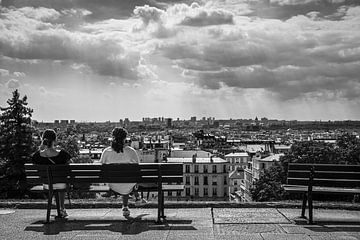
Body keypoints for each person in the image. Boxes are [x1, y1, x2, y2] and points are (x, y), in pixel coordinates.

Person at [100, 127, 146, 217]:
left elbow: (101, 166)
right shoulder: (131, 151)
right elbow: (138, 167)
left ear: (113, 137)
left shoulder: (107, 151)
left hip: (113, 184)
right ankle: (133, 201)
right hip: (129, 183)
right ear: (125, 138)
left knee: (124, 180)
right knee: (128, 180)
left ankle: (127, 206)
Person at [32, 129, 71, 218]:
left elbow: (35, 163)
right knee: (61, 182)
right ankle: (62, 208)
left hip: (46, 184)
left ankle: (59, 208)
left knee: (55, 182)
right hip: (61, 184)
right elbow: (69, 166)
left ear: (43, 140)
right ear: (55, 140)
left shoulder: (37, 156)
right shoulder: (63, 154)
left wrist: (41, 149)